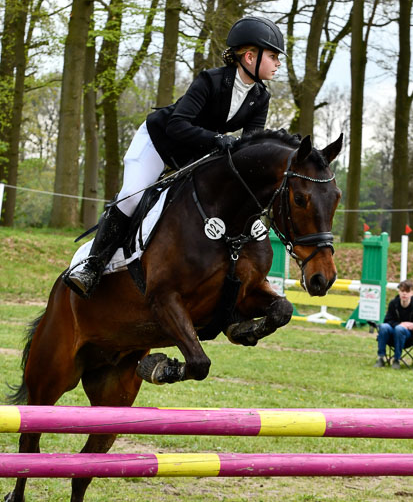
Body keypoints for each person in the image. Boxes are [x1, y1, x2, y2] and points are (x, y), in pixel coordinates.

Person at [64, 16, 285, 298]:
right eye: (273, 56)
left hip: (194, 155)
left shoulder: (260, 97)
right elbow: (177, 124)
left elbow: (248, 146)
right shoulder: (210, 81)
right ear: (250, 57)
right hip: (159, 142)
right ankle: (91, 267)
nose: (277, 63)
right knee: (132, 195)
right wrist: (218, 140)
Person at [374, 280, 413, 369]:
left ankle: (396, 359)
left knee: (399, 329)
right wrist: (401, 324)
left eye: (407, 292)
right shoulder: (393, 303)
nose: (404, 294)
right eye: (402, 291)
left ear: (412, 292)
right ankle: (381, 358)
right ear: (399, 292)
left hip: (409, 337)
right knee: (384, 326)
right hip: (392, 335)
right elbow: (387, 320)